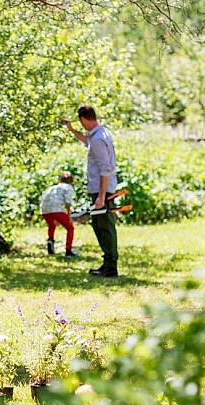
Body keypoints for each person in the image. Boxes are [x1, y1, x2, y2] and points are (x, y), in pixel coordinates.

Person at [62, 104, 119, 277]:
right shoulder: (99, 134)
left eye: (80, 122)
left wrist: (101, 196)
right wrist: (71, 130)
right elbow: (87, 141)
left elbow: (105, 169)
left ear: (84, 119)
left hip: (102, 190)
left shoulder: (99, 139)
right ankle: (107, 263)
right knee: (99, 225)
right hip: (101, 189)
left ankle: (111, 265)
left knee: (105, 227)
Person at [40, 171, 77, 257]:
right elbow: (68, 202)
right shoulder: (68, 187)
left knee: (52, 225)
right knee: (70, 228)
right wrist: (69, 215)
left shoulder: (53, 187)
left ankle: (50, 239)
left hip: (44, 209)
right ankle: (68, 250)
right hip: (56, 209)